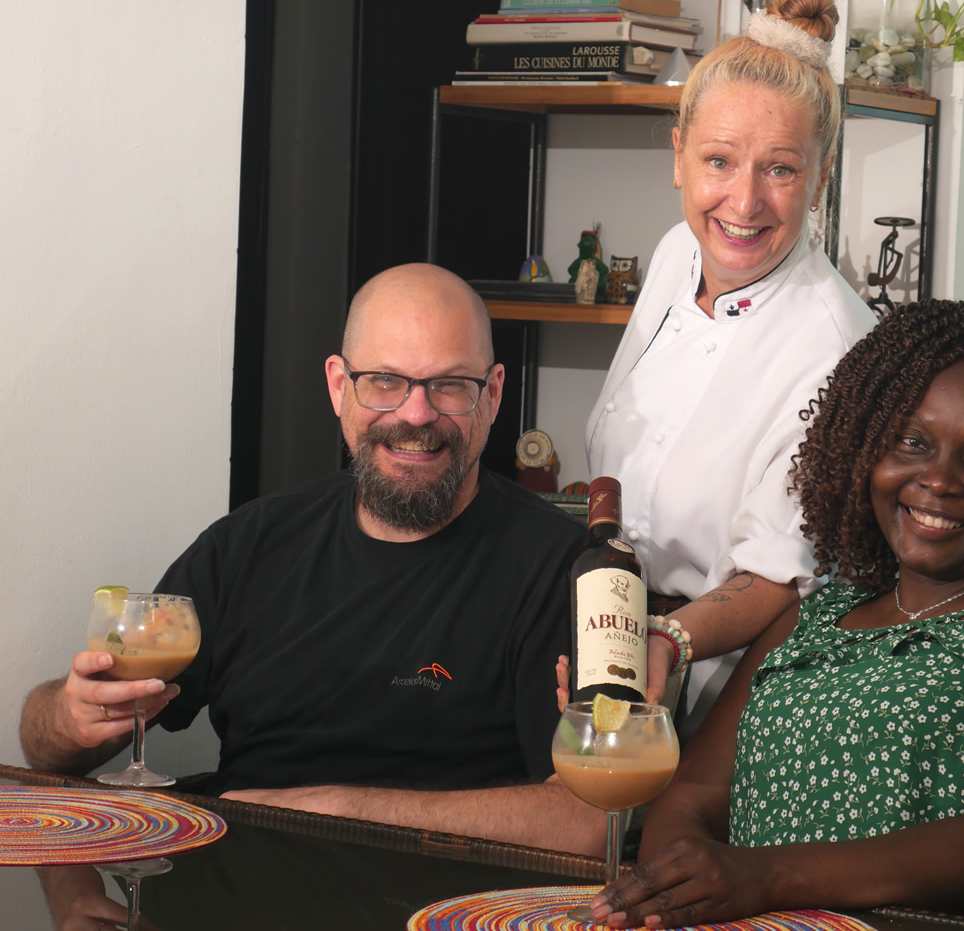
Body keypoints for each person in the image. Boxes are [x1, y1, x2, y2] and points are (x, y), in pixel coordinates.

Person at [587, 301, 964, 931]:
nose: (938, 481)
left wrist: (761, 878)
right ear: (863, 445)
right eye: (911, 443)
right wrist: (676, 897)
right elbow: (693, 794)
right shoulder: (817, 614)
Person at [19, 263, 603, 855]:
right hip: (243, 901)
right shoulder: (246, 546)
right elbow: (48, 749)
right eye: (384, 380)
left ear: (494, 394)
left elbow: (588, 821)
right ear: (338, 387)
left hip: (442, 911)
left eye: (450, 385)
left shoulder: (566, 570)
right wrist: (68, 717)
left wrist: (336, 812)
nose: (417, 414)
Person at [582, 0, 875, 722]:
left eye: (779, 169)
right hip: (612, 639)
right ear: (678, 155)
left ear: (822, 176)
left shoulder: (839, 346)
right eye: (719, 160)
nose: (742, 204)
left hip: (730, 693)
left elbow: (778, 576)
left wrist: (663, 641)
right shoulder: (677, 253)